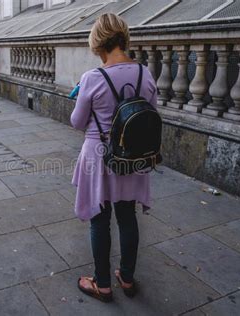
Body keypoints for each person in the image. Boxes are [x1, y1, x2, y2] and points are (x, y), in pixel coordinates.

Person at [71, 13, 158, 302]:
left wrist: (83, 96)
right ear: (123, 37)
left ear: (98, 42)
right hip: (132, 157)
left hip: (99, 155)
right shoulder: (145, 74)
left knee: (99, 219)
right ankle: (128, 278)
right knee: (126, 215)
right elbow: (149, 116)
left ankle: (103, 283)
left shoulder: (92, 78)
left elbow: (77, 122)